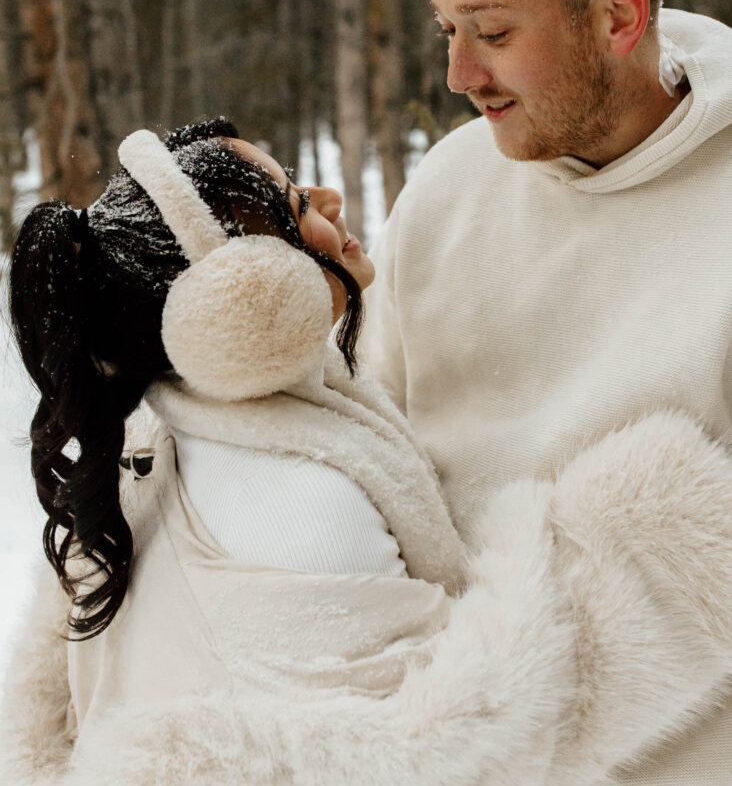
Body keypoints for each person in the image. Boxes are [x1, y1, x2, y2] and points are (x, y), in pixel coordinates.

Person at [3, 118, 732, 786]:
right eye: (293, 206)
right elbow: (455, 752)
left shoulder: (160, 437)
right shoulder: (295, 498)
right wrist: (660, 554)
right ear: (240, 292)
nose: (330, 195)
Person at [363, 0, 732, 785]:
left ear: (618, 14)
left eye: (491, 31)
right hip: (455, 744)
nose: (458, 75)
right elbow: (372, 462)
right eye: (446, 28)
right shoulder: (445, 192)